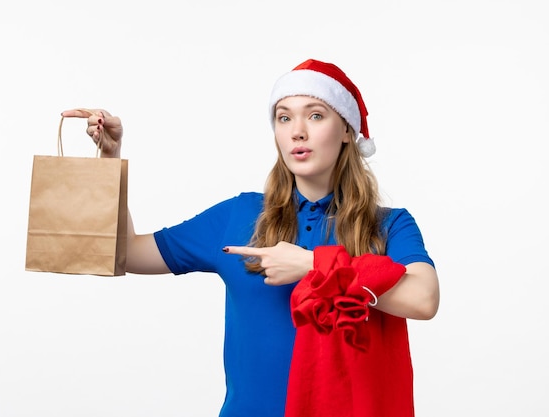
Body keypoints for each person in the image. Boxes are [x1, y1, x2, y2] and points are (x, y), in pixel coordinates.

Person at [62, 58, 439, 417]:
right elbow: (127, 254)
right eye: (284, 117)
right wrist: (110, 160)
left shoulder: (389, 225)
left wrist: (312, 265)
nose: (298, 131)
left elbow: (424, 299)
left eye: (316, 115)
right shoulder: (240, 215)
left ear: (345, 131)